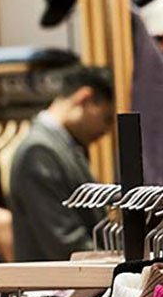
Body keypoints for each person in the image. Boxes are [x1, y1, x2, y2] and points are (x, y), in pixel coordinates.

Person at [7, 64, 115, 260]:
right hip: (56, 288)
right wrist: (119, 264)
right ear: (85, 98)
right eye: (106, 118)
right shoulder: (39, 151)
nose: (105, 131)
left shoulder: (62, 147)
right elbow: (65, 242)